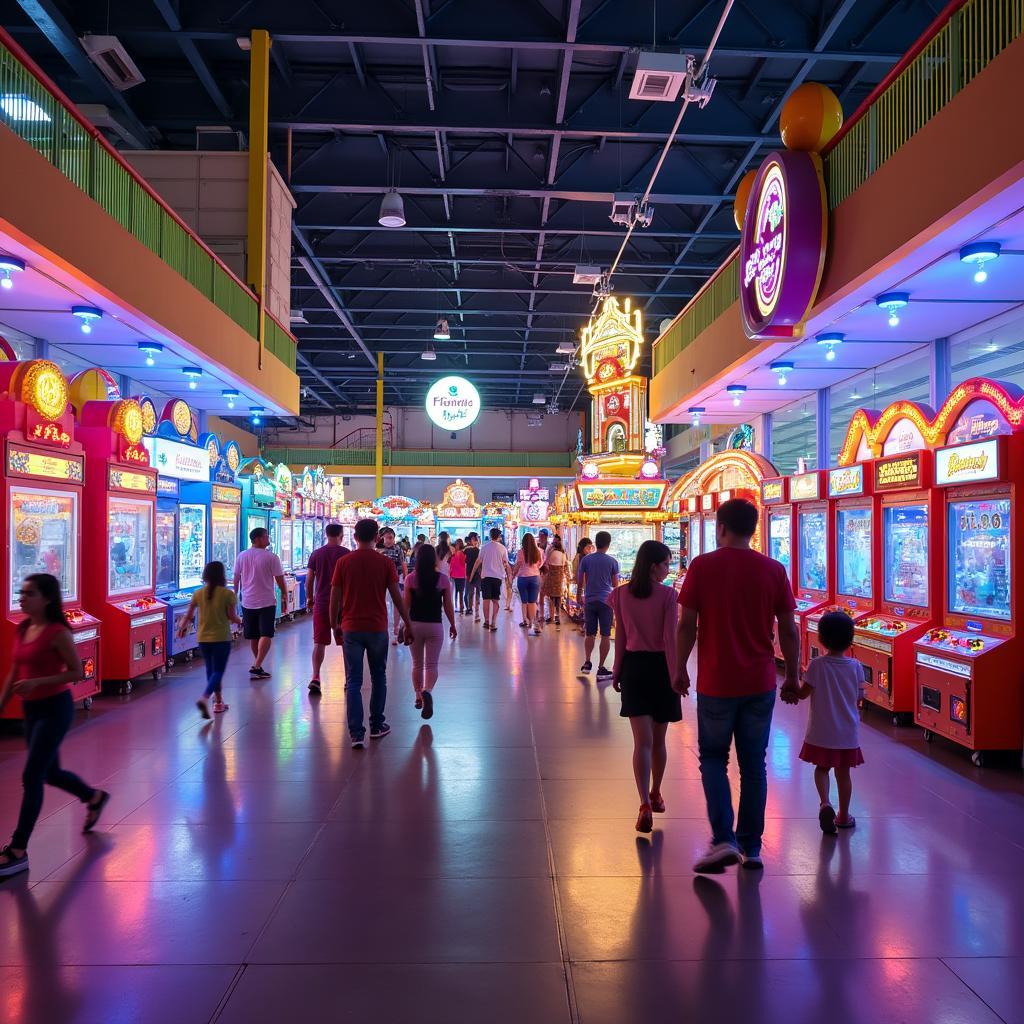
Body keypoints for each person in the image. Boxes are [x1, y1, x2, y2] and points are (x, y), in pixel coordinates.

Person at [677, 498, 799, 873]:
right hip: (759, 681)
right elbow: (789, 629)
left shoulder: (702, 567)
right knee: (754, 766)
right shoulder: (774, 570)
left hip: (716, 680)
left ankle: (723, 839)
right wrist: (793, 675)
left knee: (714, 759)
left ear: (721, 527)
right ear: (754, 528)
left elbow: (686, 626)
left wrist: (679, 668)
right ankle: (752, 847)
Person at [0, 574, 110, 879]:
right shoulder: (23, 628)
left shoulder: (57, 632)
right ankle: (94, 797)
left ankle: (18, 849)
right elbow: (14, 671)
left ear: (47, 598)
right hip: (31, 709)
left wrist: (39, 681)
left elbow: (76, 672)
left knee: (32, 775)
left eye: (29, 593)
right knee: (50, 772)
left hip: (54, 709)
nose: (22, 598)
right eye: (21, 593)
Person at [609, 541, 680, 833]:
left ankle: (643, 803)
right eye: (666, 564)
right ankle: (656, 791)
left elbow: (621, 637)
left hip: (634, 669)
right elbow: (671, 639)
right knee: (659, 740)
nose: (668, 569)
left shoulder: (621, 595)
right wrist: (677, 674)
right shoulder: (668, 596)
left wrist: (616, 670)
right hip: (661, 669)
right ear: (654, 566)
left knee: (642, 743)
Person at [330, 519, 414, 748]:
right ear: (377, 537)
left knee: (354, 681)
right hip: (377, 628)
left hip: (351, 628)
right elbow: (397, 596)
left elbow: (335, 597)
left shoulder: (343, 562)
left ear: (354, 537)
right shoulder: (385, 563)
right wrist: (406, 623)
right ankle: (376, 725)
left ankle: (356, 733)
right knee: (379, 677)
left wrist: (333, 625)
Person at [789, 611, 865, 834]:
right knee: (844, 773)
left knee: (822, 769)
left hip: (821, 730)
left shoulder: (816, 665)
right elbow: (860, 697)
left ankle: (825, 803)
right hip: (847, 732)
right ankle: (843, 815)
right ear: (850, 640)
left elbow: (804, 693)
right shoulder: (856, 666)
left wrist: (792, 690)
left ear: (820, 638)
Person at [178, 561, 242, 718]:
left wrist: (181, 628)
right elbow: (232, 617)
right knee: (219, 671)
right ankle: (205, 697)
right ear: (222, 575)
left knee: (211, 671)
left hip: (203, 638)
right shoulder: (228, 594)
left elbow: (188, 615)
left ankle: (218, 702)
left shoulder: (198, 593)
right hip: (221, 638)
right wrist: (241, 620)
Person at [404, 544, 458, 720]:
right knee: (431, 665)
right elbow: (448, 605)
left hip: (415, 625)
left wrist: (404, 626)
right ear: (434, 559)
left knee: (417, 664)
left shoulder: (410, 579)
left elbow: (406, 605)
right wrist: (453, 624)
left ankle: (418, 695)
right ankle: (428, 691)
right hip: (434, 625)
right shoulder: (443, 580)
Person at [233, 527, 286, 678]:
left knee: (254, 636)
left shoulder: (242, 556)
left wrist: (236, 594)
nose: (268, 539)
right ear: (257, 539)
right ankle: (257, 665)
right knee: (266, 634)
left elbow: (236, 577)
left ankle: (258, 665)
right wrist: (283, 593)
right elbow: (279, 578)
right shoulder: (271, 557)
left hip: (247, 601)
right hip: (266, 602)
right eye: (266, 536)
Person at [306, 523, 350, 694]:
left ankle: (316, 677)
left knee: (319, 642)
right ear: (341, 535)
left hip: (322, 602)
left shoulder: (316, 554)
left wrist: (310, 598)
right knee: (346, 642)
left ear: (326, 534)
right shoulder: (346, 554)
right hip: (343, 604)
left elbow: (310, 579)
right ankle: (348, 679)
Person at [577, 531, 619, 680]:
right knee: (606, 634)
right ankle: (601, 667)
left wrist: (578, 595)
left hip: (589, 600)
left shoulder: (586, 560)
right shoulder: (612, 561)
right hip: (606, 601)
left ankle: (587, 662)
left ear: (596, 542)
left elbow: (580, 579)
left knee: (590, 633)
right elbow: (615, 585)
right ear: (608, 544)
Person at [470, 527, 512, 631]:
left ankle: (486, 621)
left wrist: (471, 575)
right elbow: (506, 564)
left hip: (486, 577)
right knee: (495, 600)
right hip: (497, 577)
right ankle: (493, 622)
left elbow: (477, 562)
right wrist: (509, 578)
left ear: (490, 535)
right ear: (499, 537)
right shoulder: (502, 548)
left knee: (486, 600)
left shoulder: (484, 547)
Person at [378, 527, 408, 645]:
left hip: (395, 580)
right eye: (388, 537)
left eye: (392, 538)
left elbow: (403, 563)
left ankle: (395, 630)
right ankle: (382, 629)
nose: (390, 540)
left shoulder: (398, 549)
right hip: (380, 581)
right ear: (382, 538)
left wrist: (405, 576)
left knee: (396, 604)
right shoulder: (378, 549)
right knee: (382, 604)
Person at [512, 533, 543, 635]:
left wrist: (513, 575)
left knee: (524, 601)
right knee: (532, 601)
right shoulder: (537, 551)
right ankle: (533, 622)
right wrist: (534, 569)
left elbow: (518, 565)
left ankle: (525, 620)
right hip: (535, 577)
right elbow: (540, 563)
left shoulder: (521, 552)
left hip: (523, 578)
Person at [541, 535, 568, 627]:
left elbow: (547, 562)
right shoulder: (563, 554)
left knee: (551, 597)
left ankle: (551, 617)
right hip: (560, 577)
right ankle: (558, 617)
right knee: (558, 598)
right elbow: (565, 566)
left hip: (552, 576)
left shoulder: (552, 553)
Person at [572, 538, 594, 634]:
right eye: (588, 547)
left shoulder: (589, 557)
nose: (589, 549)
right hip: (585, 584)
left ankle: (586, 624)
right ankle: (585, 623)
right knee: (585, 604)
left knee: (586, 604)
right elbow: (577, 572)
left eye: (591, 547)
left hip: (588, 584)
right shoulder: (579, 558)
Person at [463, 533, 482, 620]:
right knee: (473, 593)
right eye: (475, 539)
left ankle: (471, 610)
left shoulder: (468, 550)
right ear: (472, 540)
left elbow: (465, 563)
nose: (476, 541)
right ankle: (473, 611)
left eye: (477, 539)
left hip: (474, 574)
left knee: (472, 593)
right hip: (474, 574)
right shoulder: (470, 551)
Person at [449, 539, 468, 613]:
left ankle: (458, 607)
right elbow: (464, 563)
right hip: (461, 575)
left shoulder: (457, 553)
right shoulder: (462, 553)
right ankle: (460, 607)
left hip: (456, 575)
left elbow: (452, 564)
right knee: (460, 591)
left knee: (457, 591)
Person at [536, 529, 550, 622]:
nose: (541, 537)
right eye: (540, 535)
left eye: (542, 535)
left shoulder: (550, 546)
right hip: (538, 572)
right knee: (540, 594)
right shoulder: (536, 546)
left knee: (547, 594)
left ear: (546, 536)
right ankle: (540, 614)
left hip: (548, 572)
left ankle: (547, 614)